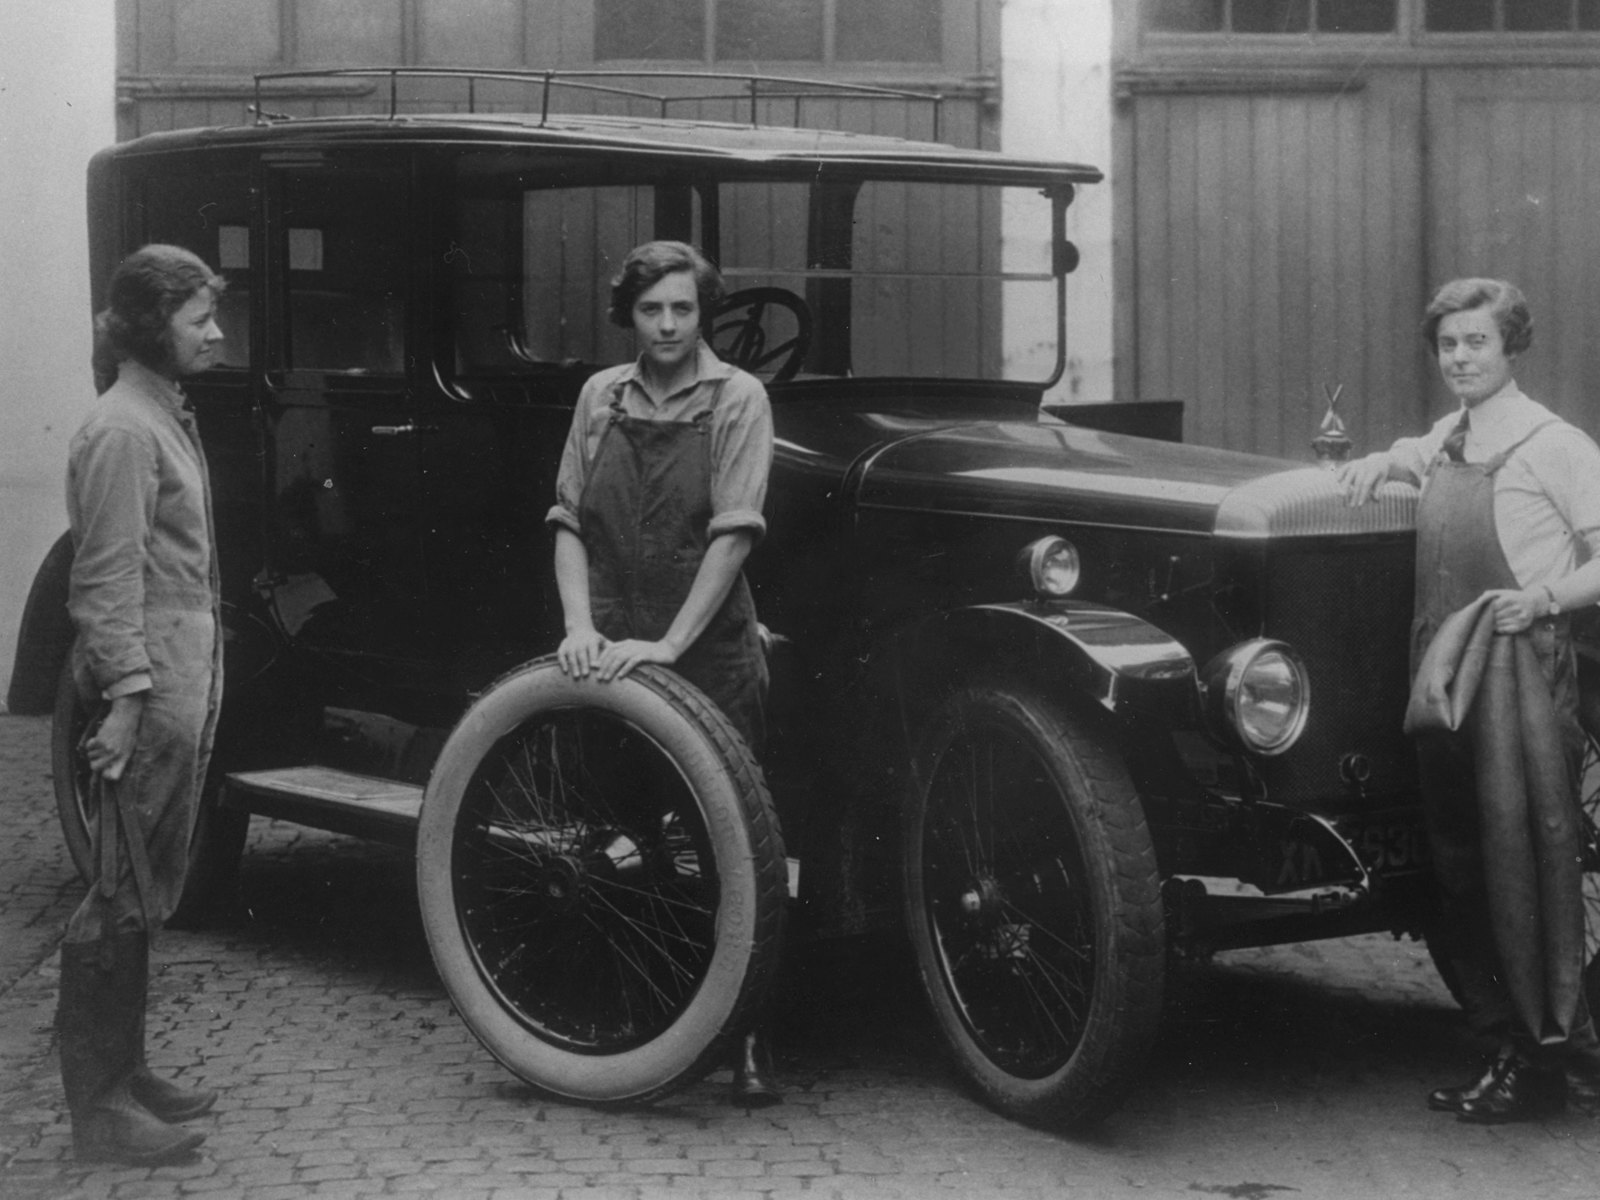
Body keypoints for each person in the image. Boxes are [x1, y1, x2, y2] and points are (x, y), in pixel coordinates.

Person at [1338, 278, 1600, 1123]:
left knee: (1524, 868)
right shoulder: (1449, 436)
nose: (1460, 358)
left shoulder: (1555, 444)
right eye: (1448, 345)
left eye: (1476, 343)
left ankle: (1546, 1058)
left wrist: (1549, 599)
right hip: (1444, 679)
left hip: (1521, 676)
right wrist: (1380, 460)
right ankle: (1503, 1046)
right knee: (1457, 866)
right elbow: (1409, 456)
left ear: (1512, 348)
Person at [547, 239, 780, 1105]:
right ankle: (642, 1024)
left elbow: (735, 533)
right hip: (610, 649)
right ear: (630, 315)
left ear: (703, 312)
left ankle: (749, 1034)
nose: (670, 325)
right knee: (620, 831)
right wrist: (578, 626)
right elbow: (569, 519)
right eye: (652, 310)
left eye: (683, 308)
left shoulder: (737, 397)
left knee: (732, 847)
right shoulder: (599, 398)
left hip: (706, 654)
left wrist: (674, 645)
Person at [58, 244, 227, 1163]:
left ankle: (125, 1074)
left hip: (173, 678)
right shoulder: (125, 428)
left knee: (145, 886)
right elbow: (104, 581)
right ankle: (100, 1112)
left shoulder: (158, 414)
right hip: (148, 685)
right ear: (149, 324)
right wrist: (123, 701)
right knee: (118, 890)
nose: (216, 332)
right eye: (200, 317)